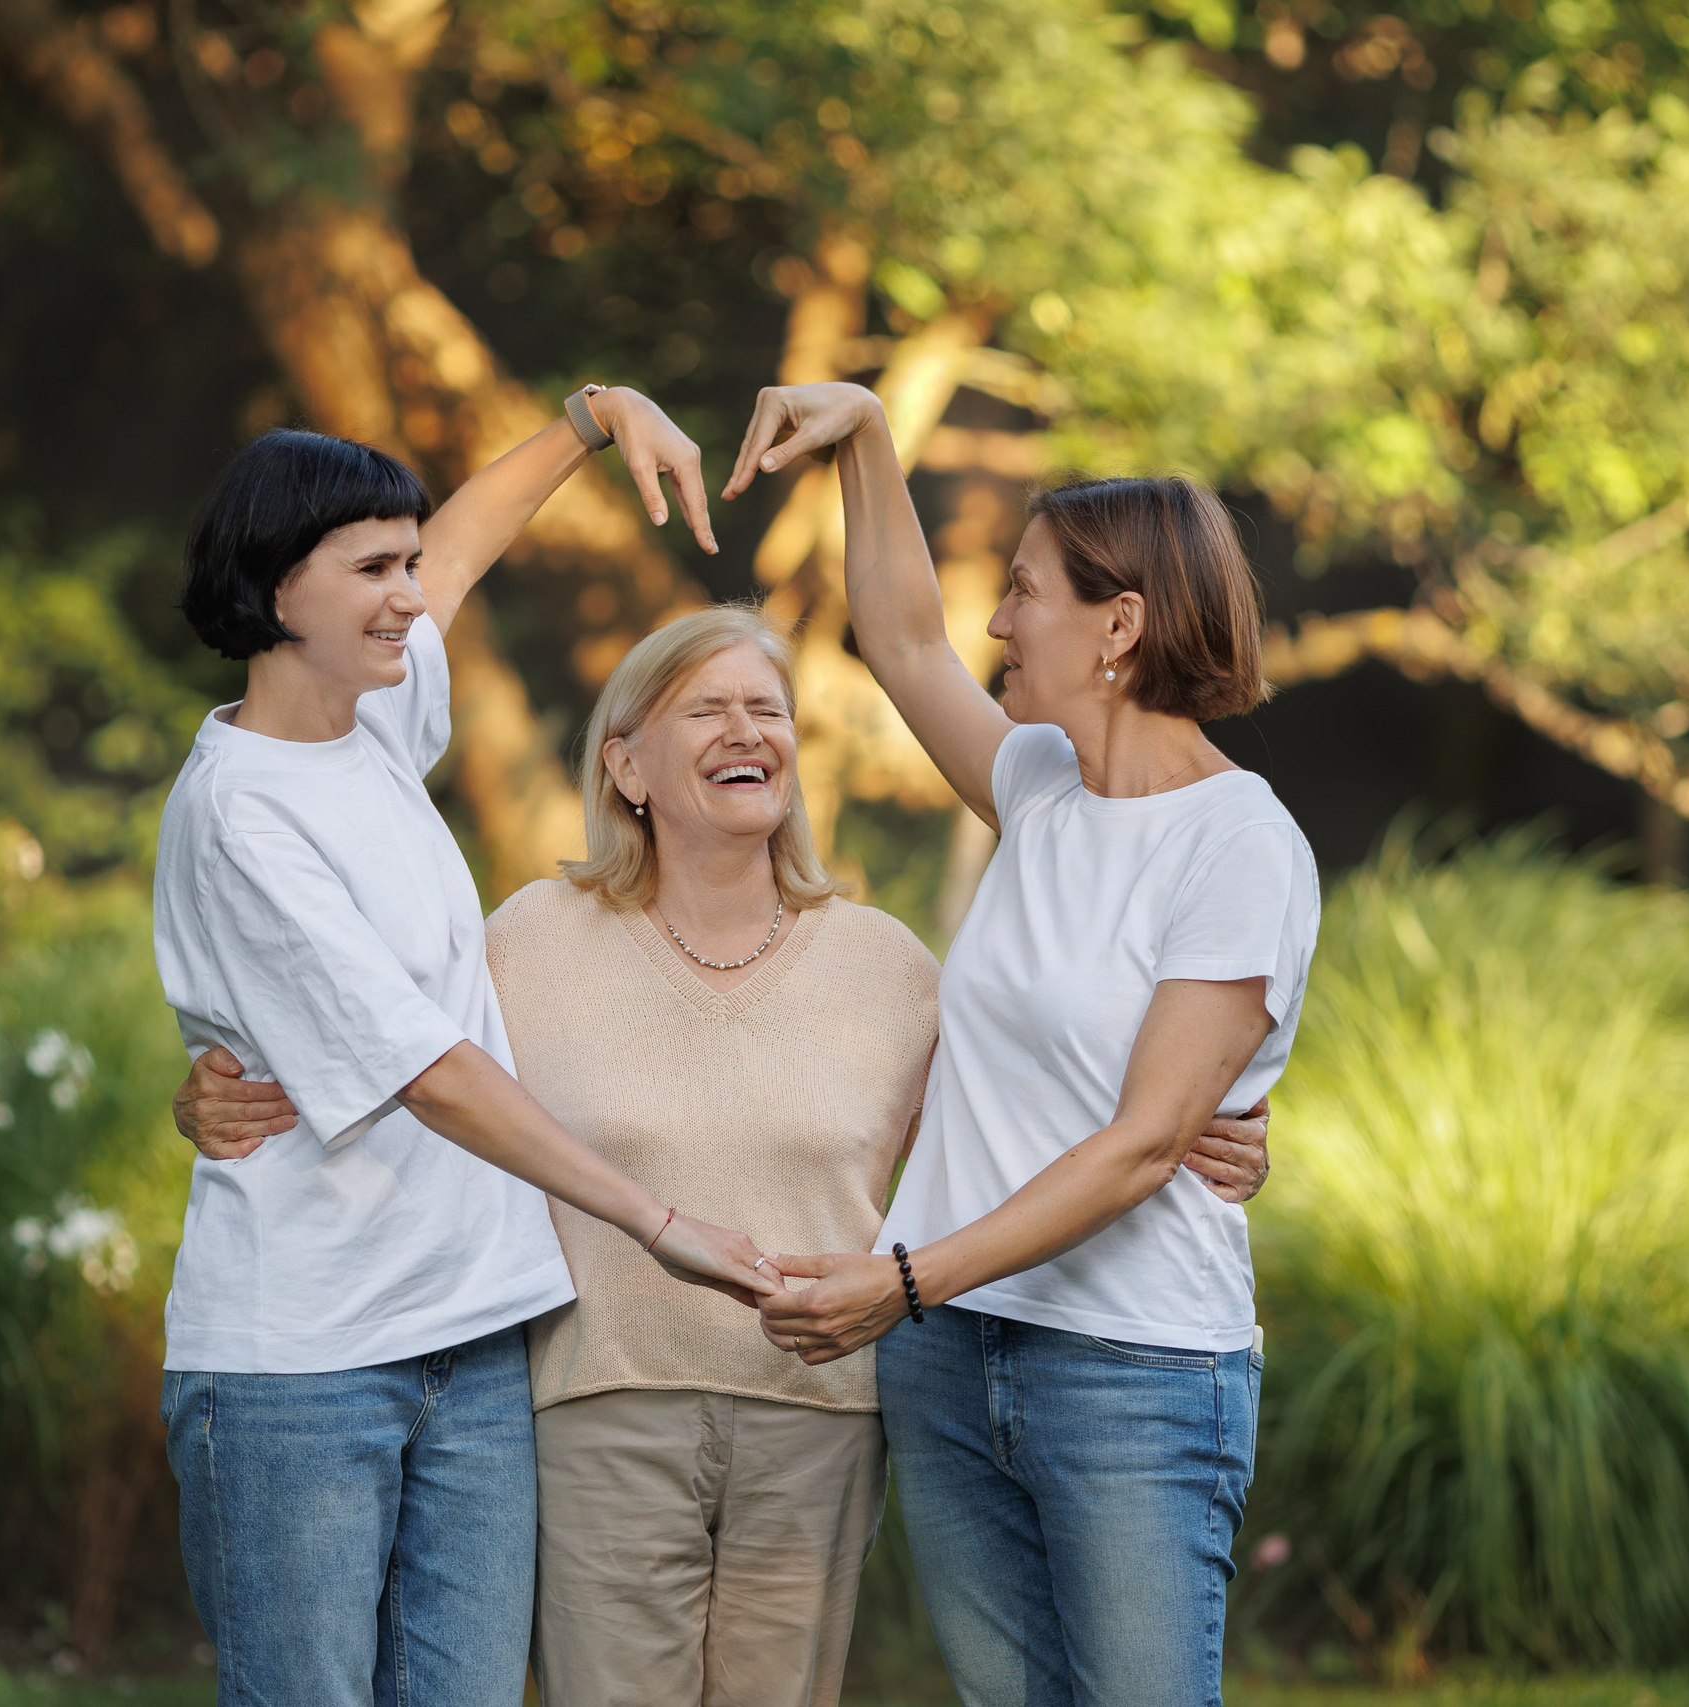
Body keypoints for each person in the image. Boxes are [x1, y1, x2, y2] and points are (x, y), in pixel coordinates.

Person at [174, 606, 1277, 1706]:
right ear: (627, 765)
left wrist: (1208, 1126)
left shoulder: (887, 965)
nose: (747, 731)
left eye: (768, 710)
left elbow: (1023, 1104)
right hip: (596, 1401)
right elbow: (395, 1050)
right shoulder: (524, 942)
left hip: (820, 1414)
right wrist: (217, 1089)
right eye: (706, 709)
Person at [150, 387, 778, 1707]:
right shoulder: (240, 814)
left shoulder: (363, 724)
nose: (407, 592)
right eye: (372, 568)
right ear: (276, 590)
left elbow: (464, 549)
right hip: (303, 1367)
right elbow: (429, 1072)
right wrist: (660, 1222)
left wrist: (590, 422)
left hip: (472, 1337)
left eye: (403, 561)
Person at [726, 384, 1322, 1707]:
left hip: (1129, 1366)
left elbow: (1148, 1141)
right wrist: (871, 436)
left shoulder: (1240, 842)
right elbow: (895, 634)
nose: (995, 622)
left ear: (1122, 624)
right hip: (949, 1355)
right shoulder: (1040, 789)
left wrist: (904, 1275)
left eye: (1025, 592)